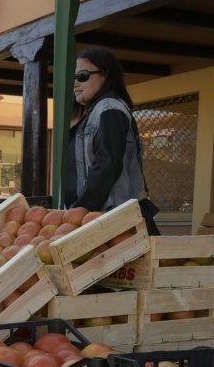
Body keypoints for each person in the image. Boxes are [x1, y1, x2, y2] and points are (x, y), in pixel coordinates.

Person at [67, 47, 160, 235]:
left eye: (83, 76)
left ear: (106, 74)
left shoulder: (109, 109)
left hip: (116, 221)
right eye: (74, 78)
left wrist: (81, 210)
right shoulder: (94, 113)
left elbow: (107, 163)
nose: (76, 83)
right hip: (103, 219)